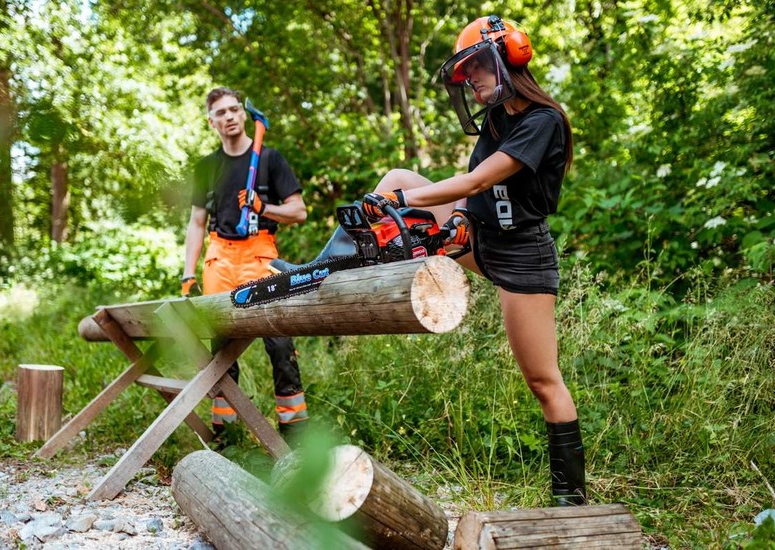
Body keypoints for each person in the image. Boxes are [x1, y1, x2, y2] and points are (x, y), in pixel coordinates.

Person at [360, 16, 586, 506]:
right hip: (479, 239)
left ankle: (571, 500)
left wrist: (405, 201)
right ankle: (335, 266)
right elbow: (469, 191)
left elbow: (480, 180)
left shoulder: (541, 121)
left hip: (523, 255)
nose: (473, 80)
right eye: (467, 74)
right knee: (397, 175)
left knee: (544, 382)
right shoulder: (498, 119)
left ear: (511, 57)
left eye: (478, 68)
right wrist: (456, 218)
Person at [182, 87, 310, 444]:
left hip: (259, 253)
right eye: (221, 113)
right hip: (220, 255)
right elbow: (195, 223)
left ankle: (294, 431)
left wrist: (263, 208)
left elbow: (298, 211)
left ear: (243, 114)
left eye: (234, 109)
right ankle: (227, 433)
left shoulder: (269, 159)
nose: (229, 116)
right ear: (212, 122)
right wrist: (188, 273)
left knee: (279, 339)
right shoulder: (206, 168)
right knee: (221, 346)